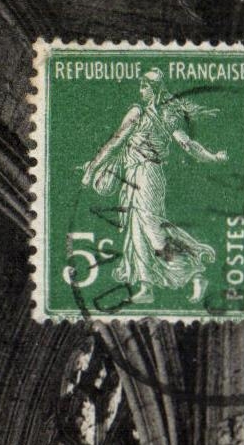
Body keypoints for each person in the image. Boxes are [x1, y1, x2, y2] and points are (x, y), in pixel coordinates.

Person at [82, 69, 226, 306]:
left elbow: (115, 142)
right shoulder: (167, 115)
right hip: (140, 174)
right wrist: (213, 157)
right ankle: (145, 285)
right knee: (136, 227)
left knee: (150, 226)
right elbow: (187, 145)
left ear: (153, 89)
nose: (140, 91)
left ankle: (192, 273)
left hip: (145, 174)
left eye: (144, 86)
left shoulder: (140, 113)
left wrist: (91, 170)